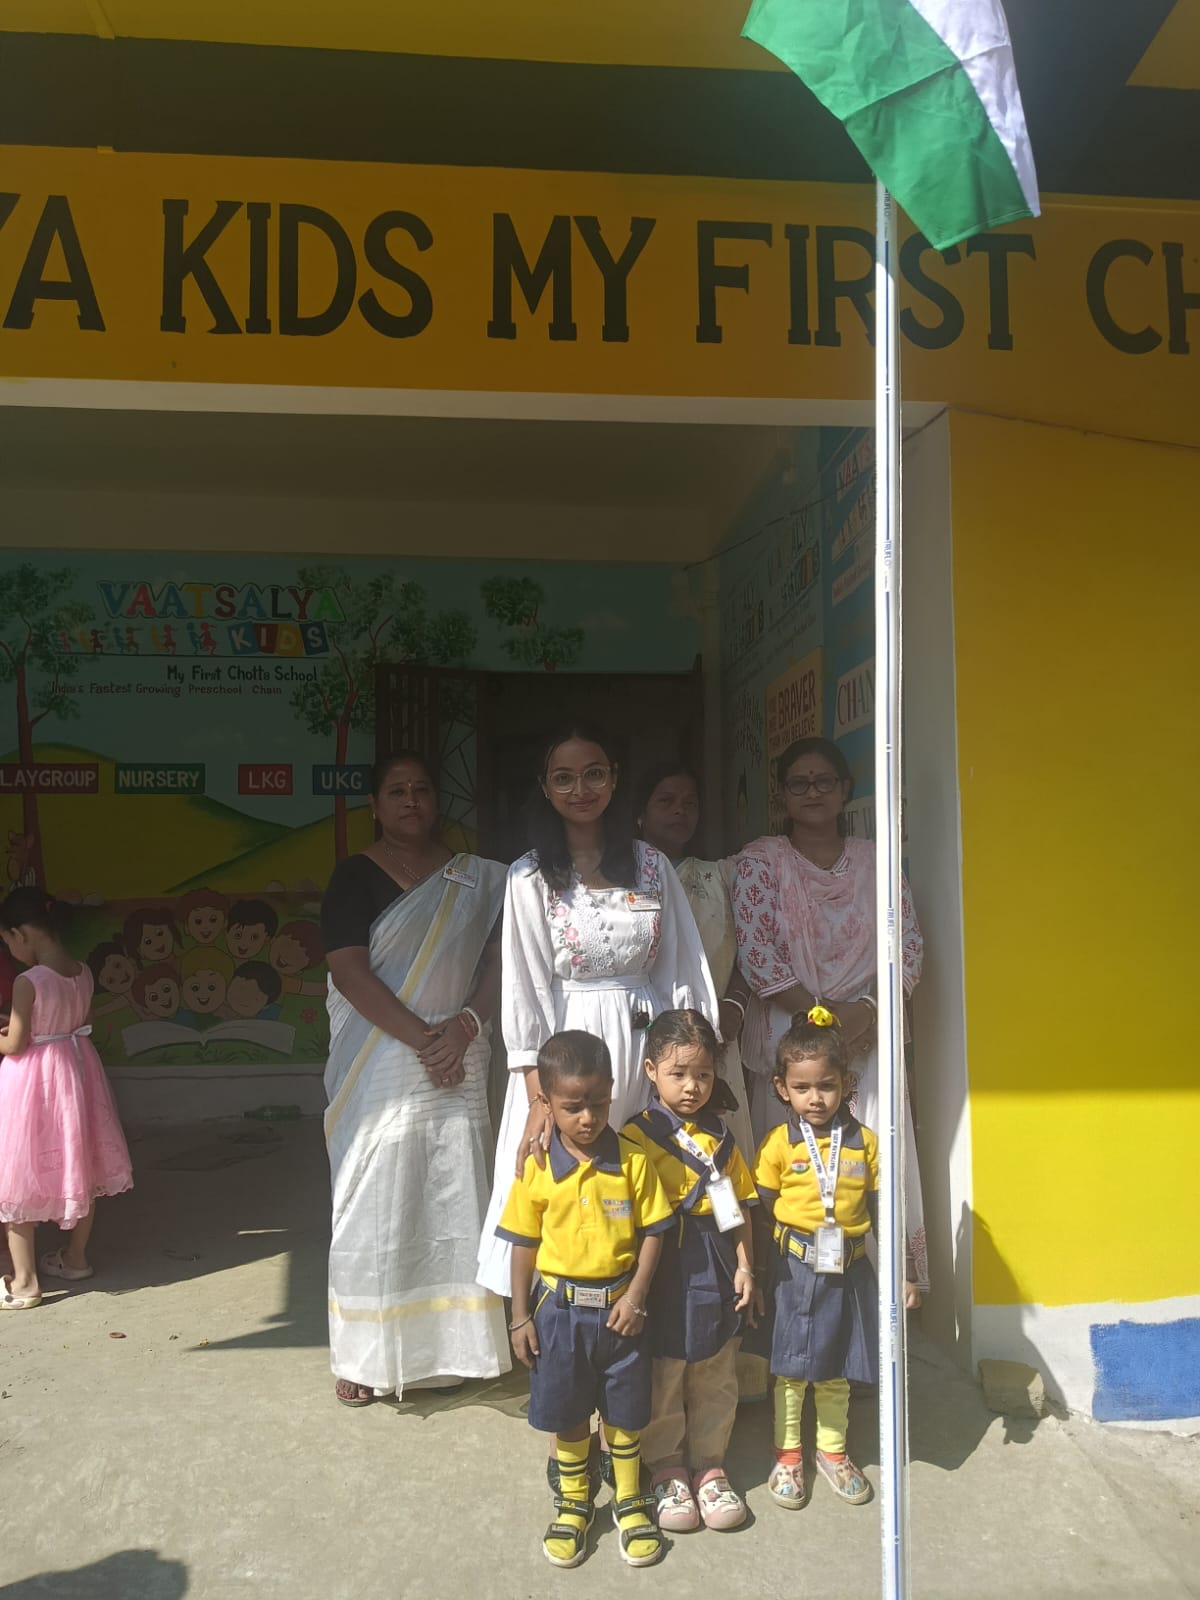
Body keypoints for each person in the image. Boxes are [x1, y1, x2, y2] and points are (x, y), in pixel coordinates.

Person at [476, 723, 718, 1300]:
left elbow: (681, 965)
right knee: (567, 1173)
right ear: (545, 787)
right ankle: (560, 1313)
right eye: (563, 778)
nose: (580, 789)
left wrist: (685, 1060)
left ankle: (646, 1305)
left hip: (646, 1048)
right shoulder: (529, 875)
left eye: (593, 774)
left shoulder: (652, 866)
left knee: (647, 1171)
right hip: (566, 1052)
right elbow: (525, 986)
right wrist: (540, 1097)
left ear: (613, 779)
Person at [320, 751, 508, 1407]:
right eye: (396, 791)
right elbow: (349, 972)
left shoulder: (478, 879)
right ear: (375, 806)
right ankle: (364, 1353)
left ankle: (462, 1347)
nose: (410, 800)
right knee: (374, 1195)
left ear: (437, 801)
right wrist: (427, 1039)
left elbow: (500, 963)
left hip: (463, 1046)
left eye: (422, 788)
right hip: (384, 1054)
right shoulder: (353, 877)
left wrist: (465, 1028)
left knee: (457, 1190)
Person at [732, 735, 929, 1291]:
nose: (812, 792)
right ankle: (789, 1299)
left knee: (874, 1160)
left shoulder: (877, 861)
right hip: (793, 1038)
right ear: (782, 795)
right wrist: (821, 1020)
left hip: (868, 1037)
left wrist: (866, 1010)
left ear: (845, 790)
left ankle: (882, 1299)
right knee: (793, 1169)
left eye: (824, 782)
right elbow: (757, 951)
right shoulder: (761, 863)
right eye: (799, 783)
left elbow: (908, 946)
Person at [499, 1030, 673, 1570]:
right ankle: (574, 1502)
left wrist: (637, 1297)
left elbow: (655, 1232)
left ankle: (629, 1498)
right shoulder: (535, 1167)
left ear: (612, 1090)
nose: (589, 1118)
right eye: (573, 1107)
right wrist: (519, 1317)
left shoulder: (633, 1162)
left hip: (622, 1315)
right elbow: (523, 1245)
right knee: (568, 1413)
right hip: (559, 1316)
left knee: (624, 1413)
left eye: (598, 1102)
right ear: (546, 1103)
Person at [621, 1011, 760, 1534]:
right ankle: (667, 1468)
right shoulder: (636, 1137)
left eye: (702, 1074)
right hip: (660, 1264)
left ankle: (709, 1465)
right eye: (678, 1074)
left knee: (714, 1366)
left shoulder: (722, 1135)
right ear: (651, 1071)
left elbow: (739, 1209)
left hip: (715, 1263)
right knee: (664, 1368)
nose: (691, 1087)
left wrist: (745, 1266)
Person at [753, 1010, 879, 1509]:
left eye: (826, 1086)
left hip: (848, 1270)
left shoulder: (866, 1144)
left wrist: (906, 1274)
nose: (816, 1098)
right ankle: (787, 1455)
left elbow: (881, 1207)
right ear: (781, 1089)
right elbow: (763, 1205)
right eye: (802, 1087)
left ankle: (832, 1450)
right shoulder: (778, 1145)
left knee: (835, 1367)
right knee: (789, 1367)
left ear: (846, 1083)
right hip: (794, 1270)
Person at [0, 888, 133, 1309]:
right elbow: (79, 1021)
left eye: (8, 942)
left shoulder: (28, 981)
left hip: (34, 1084)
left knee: (20, 1170)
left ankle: (24, 1283)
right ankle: (75, 1259)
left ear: (21, 933)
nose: (11, 951)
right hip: (76, 1072)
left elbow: (16, 1044)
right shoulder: (82, 971)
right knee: (81, 1160)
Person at [634, 763, 755, 1163]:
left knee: (718, 1154)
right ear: (640, 814)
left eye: (690, 803)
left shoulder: (720, 876)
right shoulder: (622, 882)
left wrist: (734, 1005)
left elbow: (753, 950)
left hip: (715, 1033)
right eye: (666, 801)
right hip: (644, 1036)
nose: (679, 811)